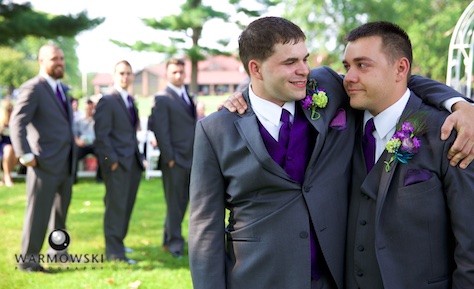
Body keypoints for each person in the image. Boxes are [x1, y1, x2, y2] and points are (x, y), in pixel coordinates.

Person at [192, 17, 474, 289]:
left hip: (335, 278)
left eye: (305, 58)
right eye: (291, 62)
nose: (304, 69)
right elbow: (205, 230)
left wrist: (459, 103)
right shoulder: (216, 129)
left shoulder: (325, 87)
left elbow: (395, 79)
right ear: (255, 69)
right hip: (258, 277)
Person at [343, 21, 474, 289]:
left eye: (362, 65)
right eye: (346, 66)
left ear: (400, 68)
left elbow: (471, 243)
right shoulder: (340, 125)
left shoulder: (449, 132)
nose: (348, 77)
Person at [9, 44, 75, 272]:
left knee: (59, 215)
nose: (59, 62)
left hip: (65, 163)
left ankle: (58, 253)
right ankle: (28, 262)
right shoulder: (33, 88)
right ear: (41, 61)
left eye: (62, 58)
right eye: (54, 58)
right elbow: (17, 122)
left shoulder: (62, 88)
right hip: (43, 163)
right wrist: (25, 155)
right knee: (37, 214)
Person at [94, 60, 144, 264]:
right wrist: (111, 162)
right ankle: (115, 253)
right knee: (115, 208)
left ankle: (119, 243)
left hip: (132, 163)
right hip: (117, 165)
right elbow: (101, 136)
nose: (125, 77)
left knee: (126, 206)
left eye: (128, 73)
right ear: (114, 76)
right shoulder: (107, 100)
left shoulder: (129, 100)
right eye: (121, 73)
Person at [150, 58, 197, 258]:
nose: (178, 75)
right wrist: (171, 158)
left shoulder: (187, 95)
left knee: (183, 202)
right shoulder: (163, 98)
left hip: (191, 158)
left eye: (181, 71)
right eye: (174, 72)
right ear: (167, 74)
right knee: (175, 203)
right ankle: (175, 244)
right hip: (175, 160)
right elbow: (161, 131)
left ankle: (168, 238)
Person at [73, 99, 101, 183]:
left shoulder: (97, 121)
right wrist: (78, 142)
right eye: (87, 109)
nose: (89, 111)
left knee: (103, 155)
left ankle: (100, 178)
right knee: (74, 154)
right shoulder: (79, 121)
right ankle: (73, 179)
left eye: (91, 109)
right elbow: (75, 135)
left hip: (94, 144)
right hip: (82, 145)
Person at [0, 98, 18, 187]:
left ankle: (5, 177)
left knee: (16, 151)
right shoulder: (2, 121)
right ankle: (7, 177)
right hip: (3, 145)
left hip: (14, 144)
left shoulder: (14, 120)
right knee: (8, 149)